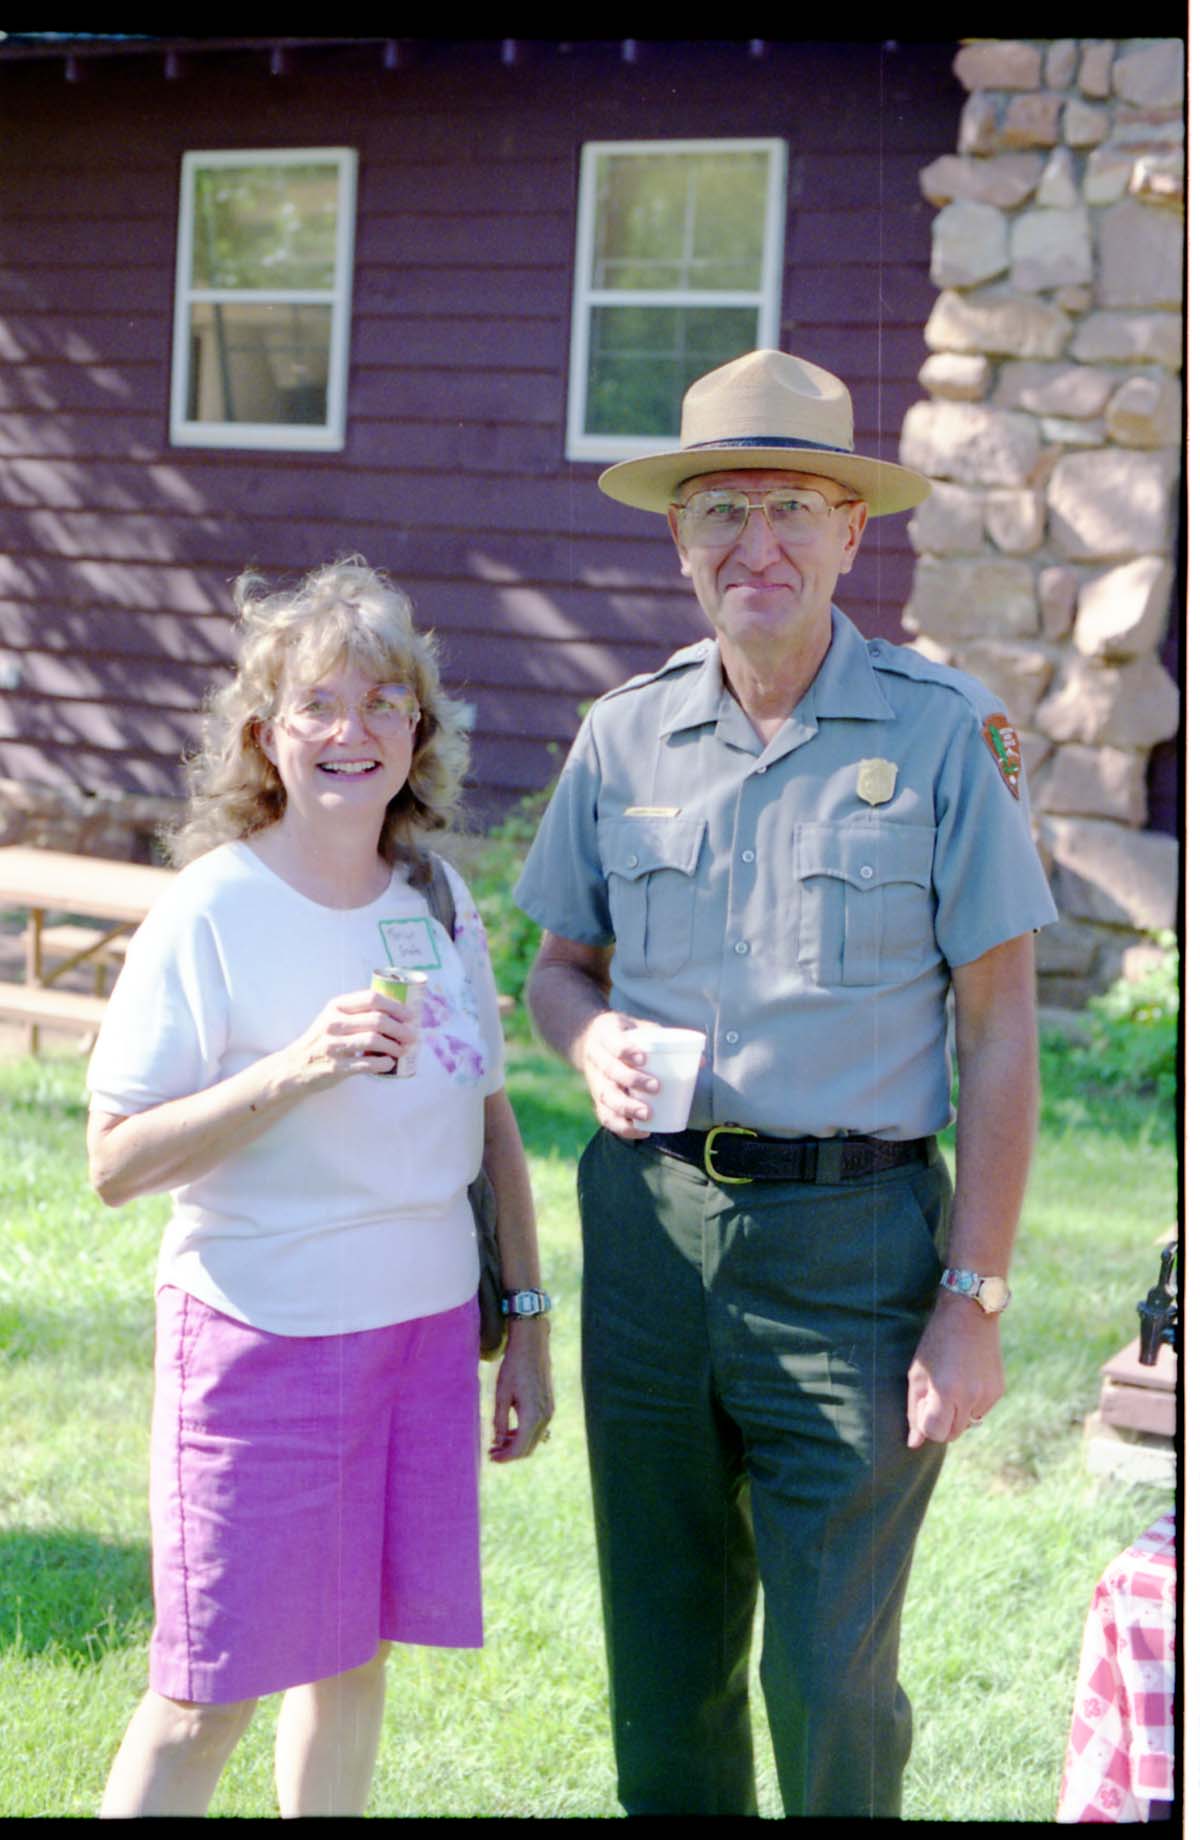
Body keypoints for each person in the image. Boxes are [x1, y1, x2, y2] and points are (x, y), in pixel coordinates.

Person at [514, 350, 1056, 1817]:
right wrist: (582, 1037)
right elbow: (557, 962)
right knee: (667, 1659)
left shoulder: (947, 735)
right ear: (679, 539)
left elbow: (1001, 1030)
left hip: (855, 1251)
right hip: (648, 1240)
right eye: (722, 512)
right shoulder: (622, 735)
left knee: (832, 1679)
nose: (758, 544)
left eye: (794, 508)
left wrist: (974, 1298)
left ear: (852, 533)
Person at [86, 558, 553, 1819]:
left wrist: (529, 1321)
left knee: (353, 1663)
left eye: (384, 703)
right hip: (262, 1338)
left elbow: (490, 1117)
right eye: (318, 706)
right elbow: (115, 1160)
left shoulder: (439, 901)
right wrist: (294, 1069)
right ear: (266, 733)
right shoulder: (213, 908)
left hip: (420, 1335)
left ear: (419, 732)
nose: (353, 733)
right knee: (206, 1689)